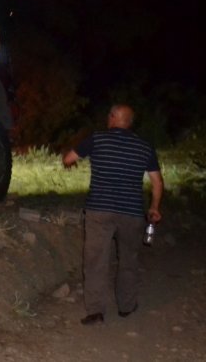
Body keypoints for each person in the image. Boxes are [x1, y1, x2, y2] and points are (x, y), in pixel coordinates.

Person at [62, 104, 164, 325]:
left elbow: (69, 158)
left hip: (99, 209)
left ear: (112, 118)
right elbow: (157, 182)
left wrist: (70, 161)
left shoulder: (97, 139)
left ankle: (96, 310)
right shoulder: (144, 147)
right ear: (129, 122)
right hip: (132, 212)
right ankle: (126, 306)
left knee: (96, 260)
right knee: (128, 259)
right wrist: (154, 207)